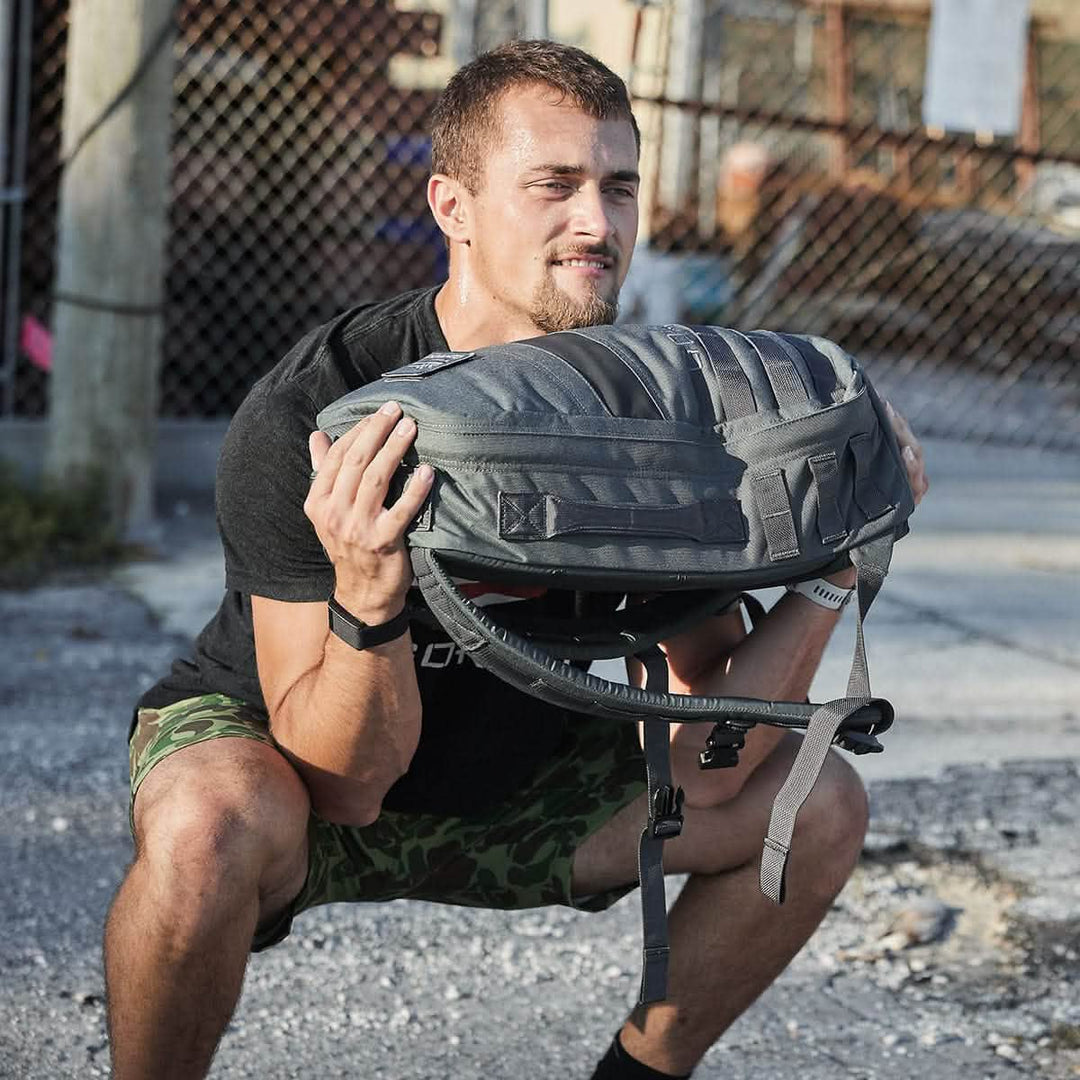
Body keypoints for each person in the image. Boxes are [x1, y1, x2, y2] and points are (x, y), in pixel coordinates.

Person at [105, 39, 929, 1080]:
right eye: (555, 185)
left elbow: (716, 745)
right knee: (204, 825)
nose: (598, 224)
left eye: (619, 187)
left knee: (820, 805)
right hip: (299, 765)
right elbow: (348, 789)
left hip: (517, 774)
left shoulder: (666, 417)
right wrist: (368, 594)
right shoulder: (319, 412)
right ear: (452, 205)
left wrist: (832, 569)